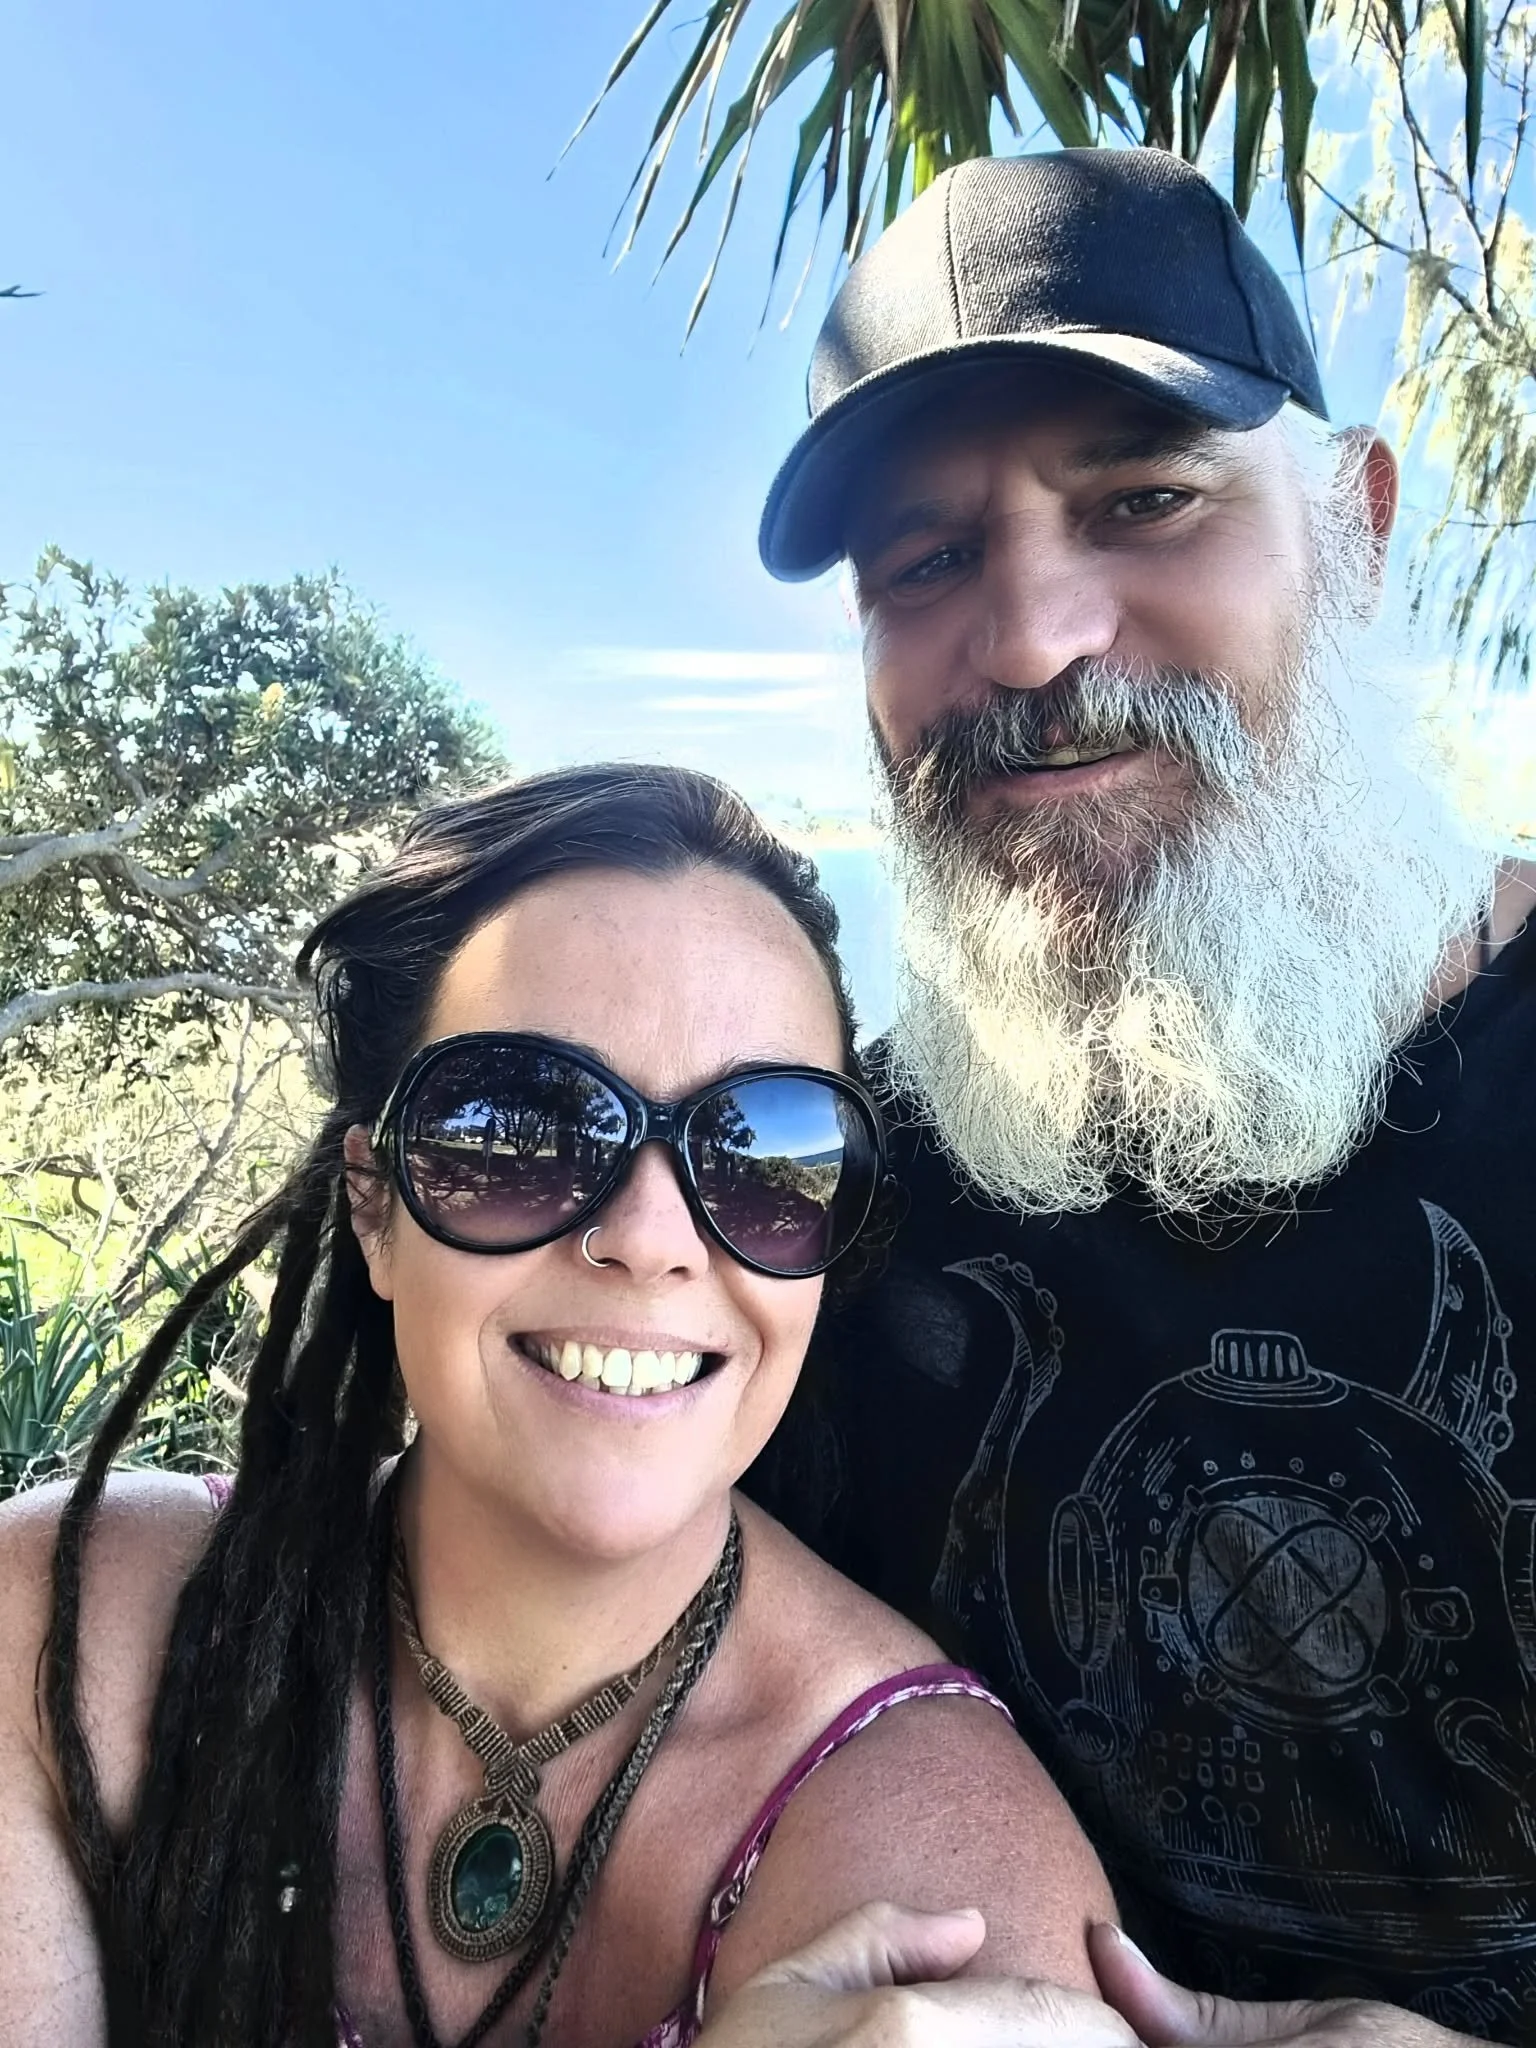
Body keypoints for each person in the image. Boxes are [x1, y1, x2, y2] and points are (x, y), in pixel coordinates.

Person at [750, 149, 1536, 2045]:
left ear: (1353, 523)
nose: (1029, 640)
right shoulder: (813, 1195)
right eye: (924, 562)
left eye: (1146, 498)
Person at [0, 762, 1124, 2048]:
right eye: (522, 1130)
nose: (652, 1238)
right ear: (374, 1205)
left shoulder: (939, 1881)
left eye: (765, 1153)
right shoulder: (61, 1637)